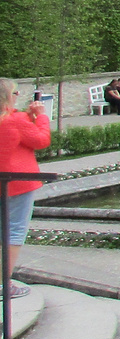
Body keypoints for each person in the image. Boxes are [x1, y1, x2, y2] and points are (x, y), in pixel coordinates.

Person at [0, 77, 51, 299]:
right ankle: (4, 283)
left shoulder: (15, 120)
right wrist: (41, 117)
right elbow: (41, 140)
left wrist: (28, 118)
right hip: (19, 183)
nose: (17, 97)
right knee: (14, 231)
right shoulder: (16, 119)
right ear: (7, 97)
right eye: (16, 93)